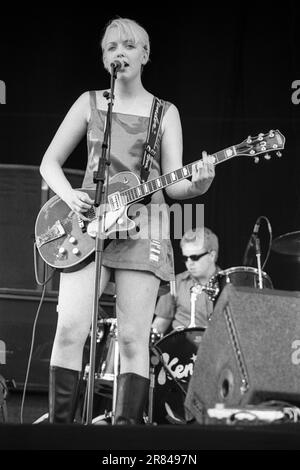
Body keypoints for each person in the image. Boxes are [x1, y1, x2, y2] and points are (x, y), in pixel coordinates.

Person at [39, 17, 215, 425]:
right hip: (87, 224)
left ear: (145, 54)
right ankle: (60, 434)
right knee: (69, 331)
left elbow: (175, 186)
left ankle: (125, 440)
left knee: (135, 339)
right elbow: (49, 163)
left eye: (130, 46)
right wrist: (71, 197)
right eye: (112, 47)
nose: (121, 53)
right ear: (105, 59)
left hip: (145, 225)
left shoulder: (165, 113)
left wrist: (199, 186)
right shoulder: (89, 103)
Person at [152, 227, 219, 335]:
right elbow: (158, 328)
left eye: (194, 257)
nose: (189, 263)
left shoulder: (230, 285)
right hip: (181, 348)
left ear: (212, 255)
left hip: (219, 347)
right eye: (185, 258)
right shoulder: (175, 283)